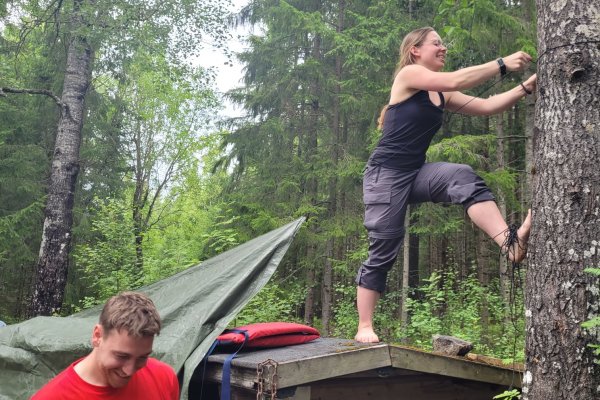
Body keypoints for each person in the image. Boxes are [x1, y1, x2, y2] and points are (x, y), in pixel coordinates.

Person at [355, 27, 537, 343]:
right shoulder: (409, 75)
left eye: (443, 44)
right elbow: (454, 80)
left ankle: (510, 244)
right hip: (385, 175)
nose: (443, 48)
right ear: (415, 50)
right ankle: (364, 326)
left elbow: (487, 106)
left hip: (415, 172)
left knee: (462, 176)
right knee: (385, 243)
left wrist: (524, 88)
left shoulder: (441, 94)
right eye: (436, 43)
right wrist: (502, 64)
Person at [32, 291, 179, 399]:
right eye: (122, 356)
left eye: (142, 357)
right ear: (97, 336)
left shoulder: (164, 378)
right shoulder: (53, 397)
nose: (129, 371)